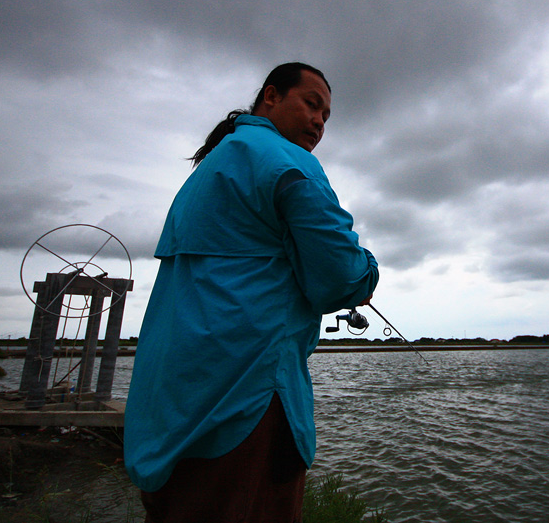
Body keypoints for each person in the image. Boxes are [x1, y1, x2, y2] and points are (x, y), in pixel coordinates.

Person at [124, 62, 379, 523]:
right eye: (312, 104)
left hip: (170, 404)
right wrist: (369, 272)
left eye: (327, 115)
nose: (320, 120)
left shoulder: (209, 168)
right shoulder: (290, 162)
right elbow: (341, 276)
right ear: (271, 96)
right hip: (247, 401)